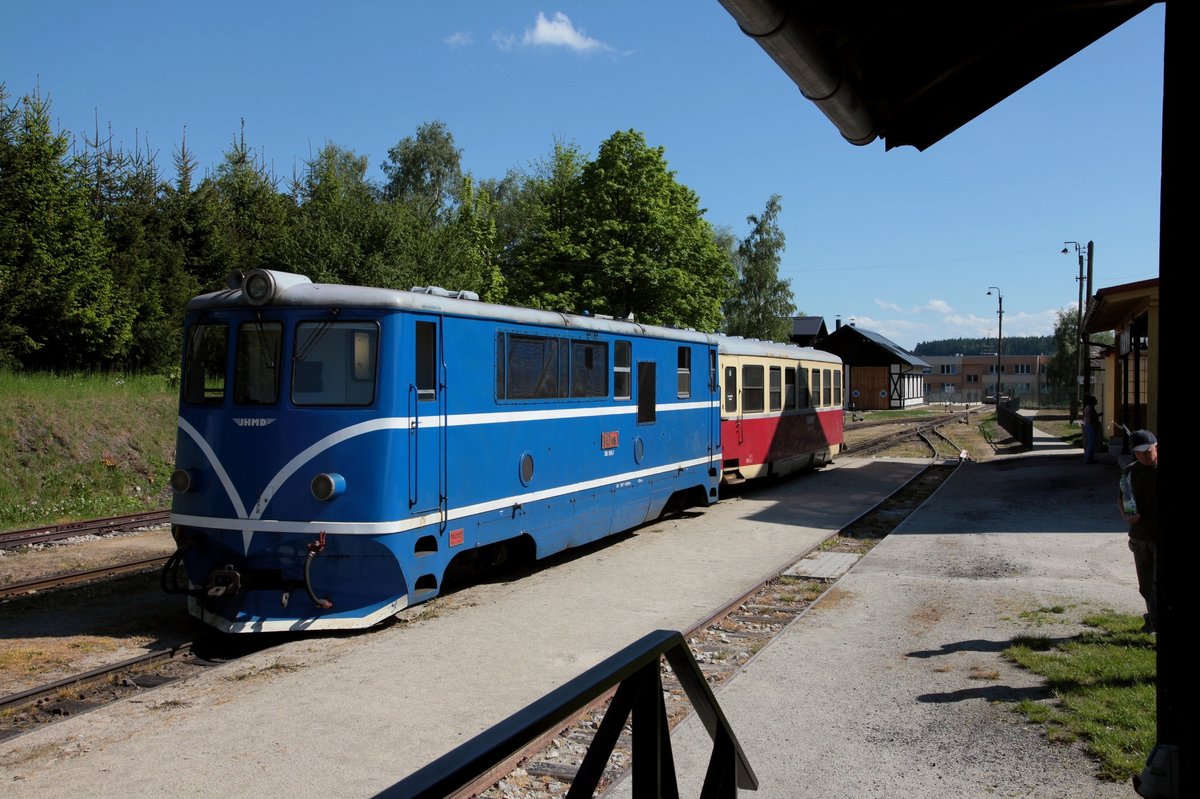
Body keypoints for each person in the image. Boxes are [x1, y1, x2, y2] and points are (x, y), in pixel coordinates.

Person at [1118, 429, 1158, 633]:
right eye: (1137, 452)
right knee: (1146, 586)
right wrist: (1127, 516)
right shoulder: (1130, 471)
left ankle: (1154, 621)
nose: (1142, 456)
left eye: (1146, 452)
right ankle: (1152, 619)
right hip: (1140, 536)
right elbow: (1123, 497)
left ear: (1155, 447)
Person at [1081, 395, 1101, 463]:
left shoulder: (1088, 407)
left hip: (1088, 426)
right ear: (1092, 401)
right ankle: (1088, 459)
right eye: (1095, 400)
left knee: (1091, 443)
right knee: (1091, 443)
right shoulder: (1090, 408)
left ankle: (1090, 458)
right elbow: (1090, 419)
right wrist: (1098, 416)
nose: (1096, 401)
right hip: (1091, 427)